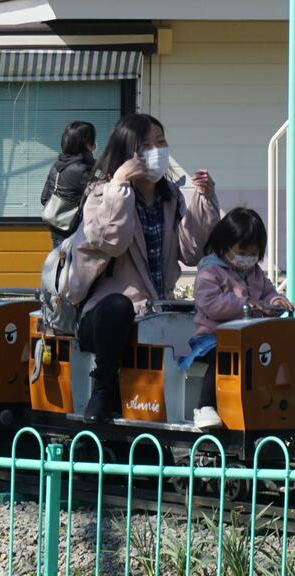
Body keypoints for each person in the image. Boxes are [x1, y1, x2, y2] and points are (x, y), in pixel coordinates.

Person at [66, 113, 220, 422]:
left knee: (208, 332)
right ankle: (103, 387)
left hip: (152, 315)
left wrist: (204, 200)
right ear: (127, 154)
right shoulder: (100, 192)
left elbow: (191, 252)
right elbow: (113, 241)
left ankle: (204, 407)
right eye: (145, 145)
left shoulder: (170, 197)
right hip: (102, 318)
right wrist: (119, 186)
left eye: (160, 142)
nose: (156, 150)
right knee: (118, 306)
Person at [183, 208, 294, 427]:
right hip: (210, 338)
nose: (248, 258)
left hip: (250, 339)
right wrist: (246, 306)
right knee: (223, 355)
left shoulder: (255, 273)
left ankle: (266, 406)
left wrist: (275, 302)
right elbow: (211, 304)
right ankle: (205, 406)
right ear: (225, 245)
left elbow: (268, 293)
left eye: (254, 253)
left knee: (275, 357)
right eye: (243, 251)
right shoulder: (210, 272)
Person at [40, 121, 97, 247]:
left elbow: (44, 198)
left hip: (57, 231)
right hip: (76, 234)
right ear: (87, 144)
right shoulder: (83, 170)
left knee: (60, 266)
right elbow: (100, 199)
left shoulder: (57, 165)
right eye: (93, 140)